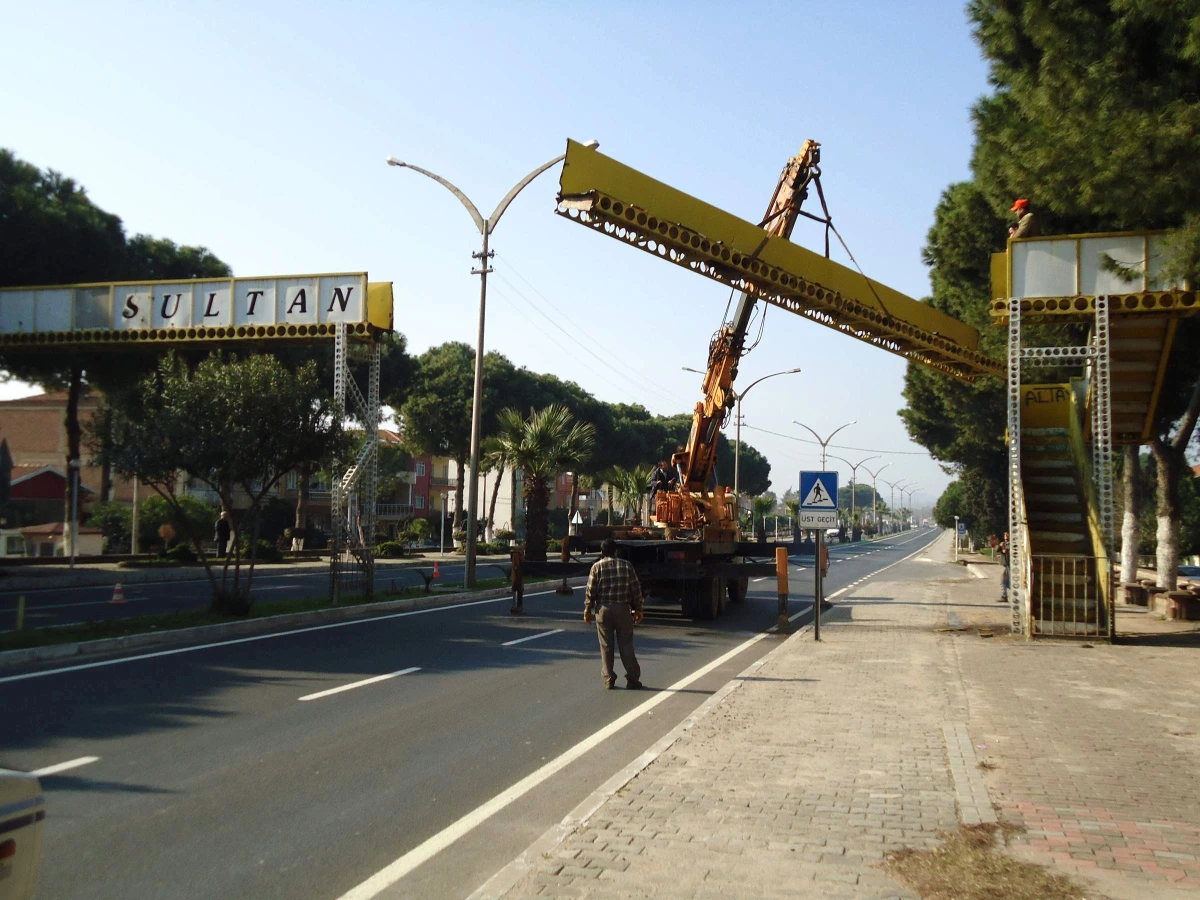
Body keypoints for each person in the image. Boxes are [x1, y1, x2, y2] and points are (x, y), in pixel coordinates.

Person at [584, 537, 644, 690]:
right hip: (623, 609)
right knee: (626, 644)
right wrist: (639, 608)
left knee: (606, 646)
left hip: (603, 610)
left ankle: (609, 678)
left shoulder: (596, 567)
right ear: (616, 551)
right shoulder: (627, 566)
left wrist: (587, 610)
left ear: (602, 552)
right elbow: (636, 589)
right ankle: (632, 678)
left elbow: (591, 591)